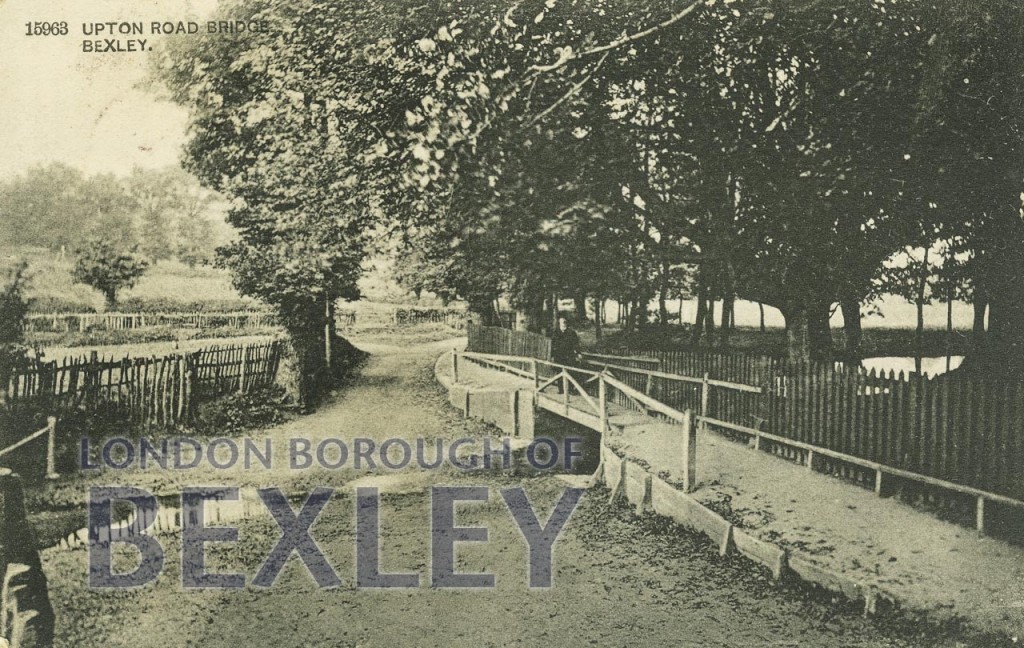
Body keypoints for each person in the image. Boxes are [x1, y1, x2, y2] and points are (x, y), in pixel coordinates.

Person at [550, 317, 581, 394]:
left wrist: (578, 353)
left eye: (565, 322)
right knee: (559, 372)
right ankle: (561, 389)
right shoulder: (556, 333)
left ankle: (570, 390)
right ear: (559, 323)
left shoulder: (571, 333)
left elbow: (576, 344)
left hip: (569, 355)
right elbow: (553, 345)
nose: (564, 324)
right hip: (559, 356)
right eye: (562, 322)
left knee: (570, 372)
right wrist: (552, 356)